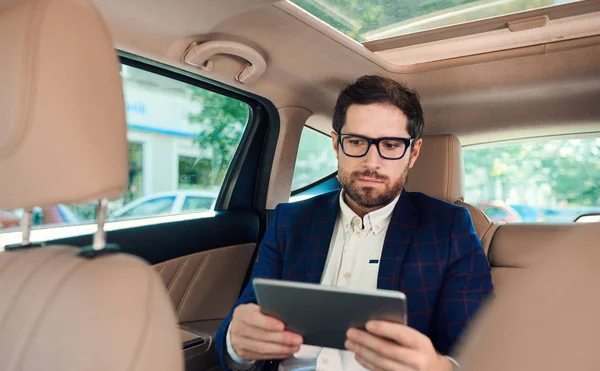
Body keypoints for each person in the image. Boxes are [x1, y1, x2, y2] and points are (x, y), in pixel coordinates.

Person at [215, 75, 494, 371]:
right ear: (336, 145)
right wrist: (237, 343)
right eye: (357, 142)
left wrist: (436, 367)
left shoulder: (449, 228)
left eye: (390, 144)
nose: (371, 162)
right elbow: (238, 329)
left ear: (413, 153)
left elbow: (483, 348)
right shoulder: (290, 221)